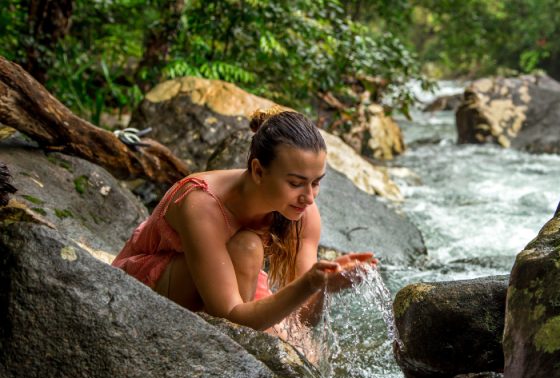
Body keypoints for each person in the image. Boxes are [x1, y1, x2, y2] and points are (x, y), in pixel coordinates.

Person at [112, 105, 375, 337]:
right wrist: (308, 283)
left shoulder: (302, 212)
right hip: (140, 287)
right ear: (259, 171)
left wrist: (323, 287)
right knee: (248, 247)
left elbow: (303, 320)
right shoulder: (202, 203)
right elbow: (229, 316)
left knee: (304, 349)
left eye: (316, 183)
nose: (308, 197)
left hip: (227, 284)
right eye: (296, 183)